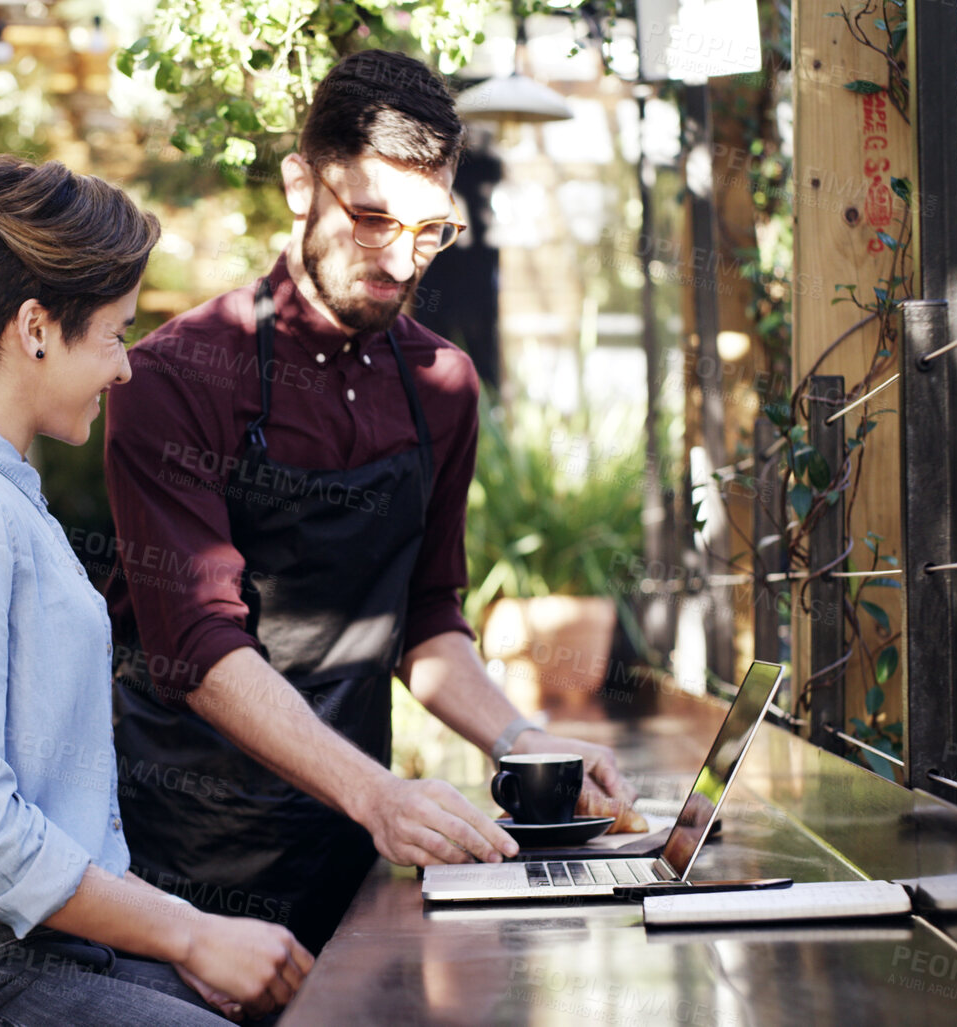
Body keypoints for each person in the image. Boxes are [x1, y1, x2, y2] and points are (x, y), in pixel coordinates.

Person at [103, 50, 644, 953]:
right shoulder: (173, 378)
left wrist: (522, 739)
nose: (400, 259)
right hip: (186, 864)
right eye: (369, 219)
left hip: (353, 853)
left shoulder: (443, 386)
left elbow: (425, 618)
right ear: (298, 186)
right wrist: (378, 791)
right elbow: (195, 649)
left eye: (430, 231)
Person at [0, 154, 311, 1027]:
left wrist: (167, 944)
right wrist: (190, 934)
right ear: (36, 327)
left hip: (17, 949)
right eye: (115, 334)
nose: (125, 368)